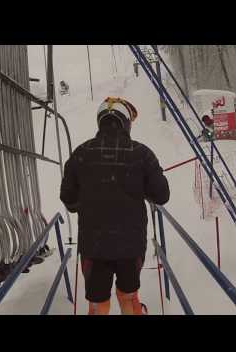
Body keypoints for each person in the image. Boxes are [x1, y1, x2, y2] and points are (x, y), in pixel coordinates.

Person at [60, 97, 170, 315]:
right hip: (131, 246)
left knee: (97, 302)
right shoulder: (142, 154)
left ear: (100, 121)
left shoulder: (80, 153)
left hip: (94, 246)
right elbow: (161, 195)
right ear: (126, 122)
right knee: (129, 294)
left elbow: (68, 199)